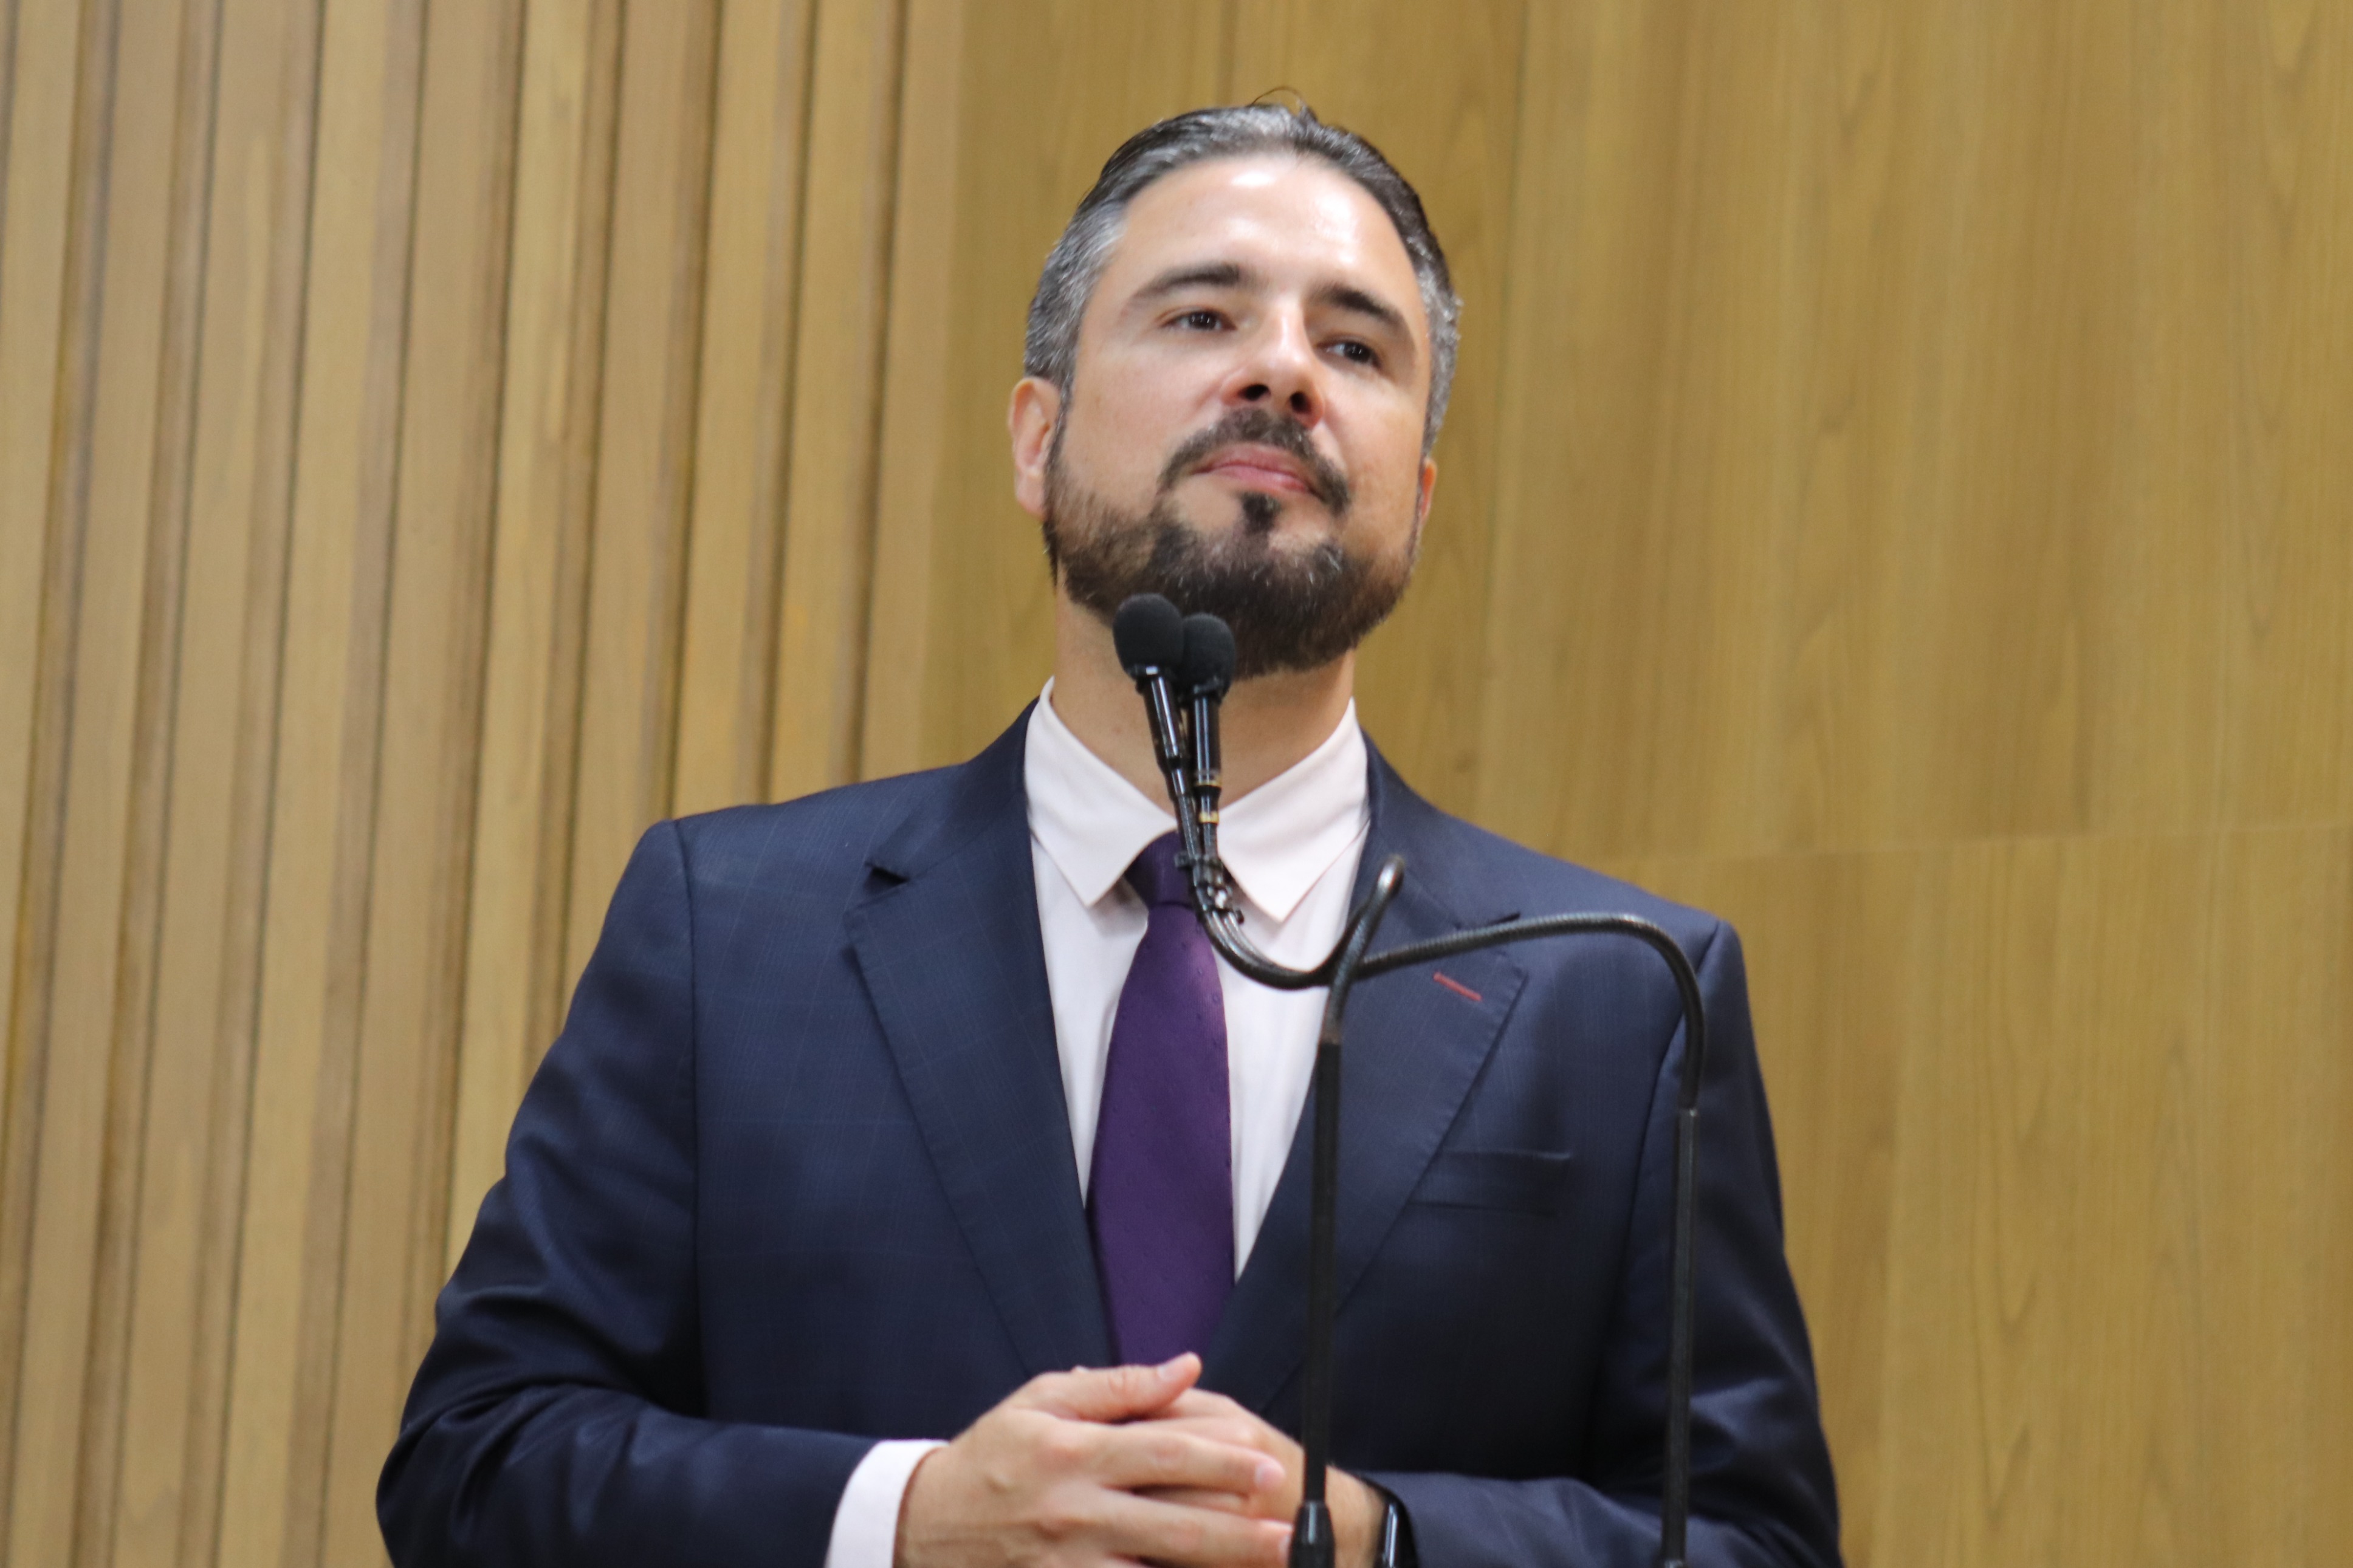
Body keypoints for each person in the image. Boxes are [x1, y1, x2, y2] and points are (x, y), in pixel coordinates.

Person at [379, 103, 1841, 1568]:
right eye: (1204, 315)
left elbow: (1750, 1542)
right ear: (1038, 438)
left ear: (1416, 500)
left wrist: (1380, 1544)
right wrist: (906, 1522)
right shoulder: (727, 927)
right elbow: (476, 1463)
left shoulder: (1621, 992)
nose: (1282, 369)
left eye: (1355, 347)